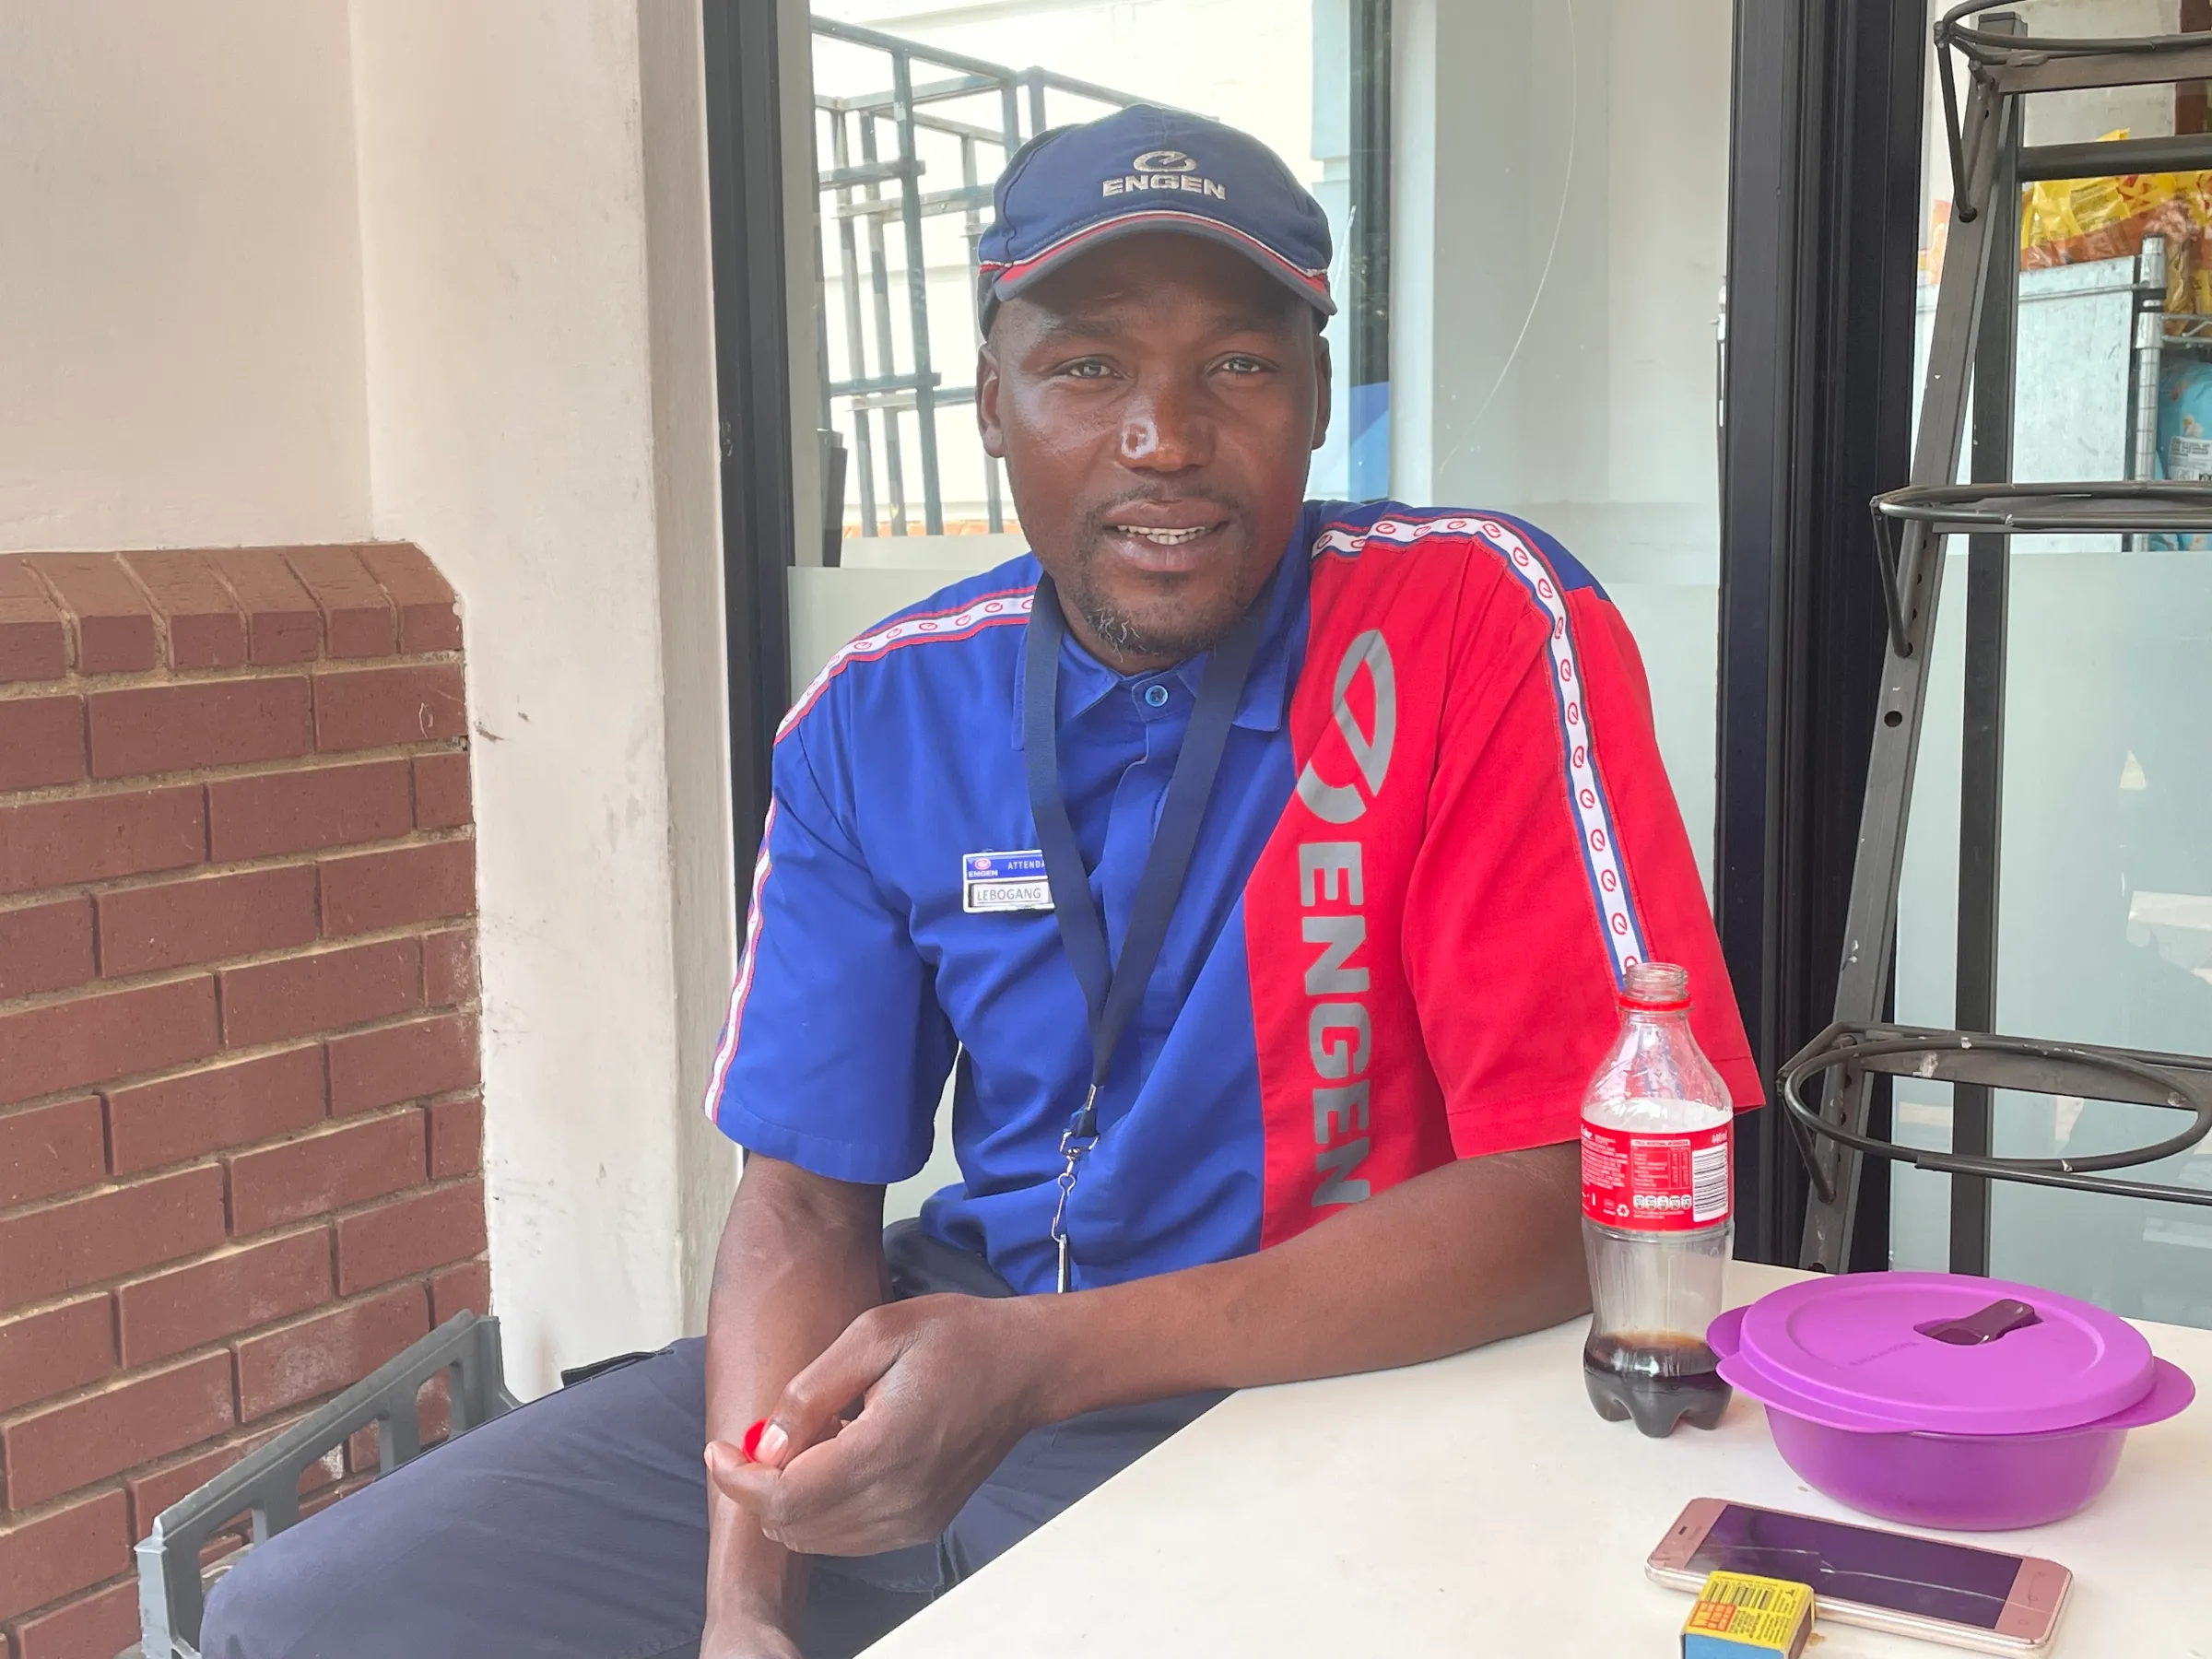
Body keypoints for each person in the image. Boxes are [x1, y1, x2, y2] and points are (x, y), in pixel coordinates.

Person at [201, 105, 1759, 1659]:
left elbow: (1589, 1193)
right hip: (955, 1360)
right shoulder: (876, 719)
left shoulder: (1472, 626)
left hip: (1326, 1390)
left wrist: (1043, 1362)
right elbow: (805, 1199)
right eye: (1088, 365)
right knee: (304, 1614)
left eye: (1239, 361)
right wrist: (747, 1603)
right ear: (990, 404)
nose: (1166, 433)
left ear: (1312, 399)